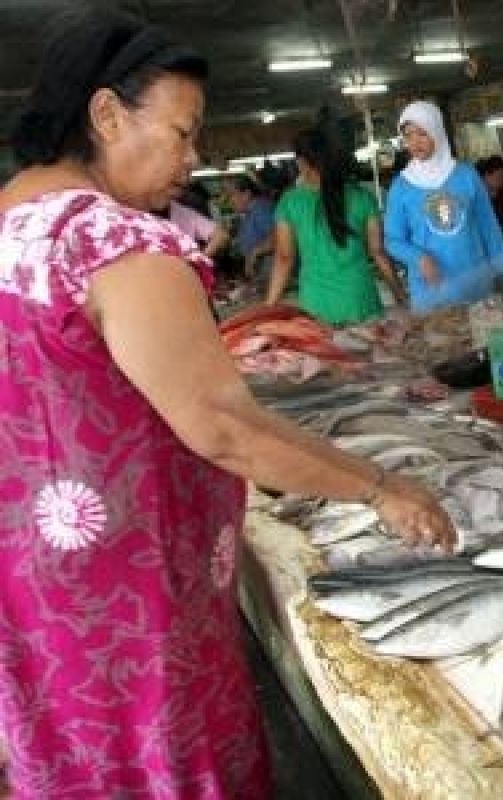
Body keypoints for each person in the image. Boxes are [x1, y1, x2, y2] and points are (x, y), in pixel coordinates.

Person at [0, 9, 453, 799]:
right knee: (172, 768)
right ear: (106, 115)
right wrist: (381, 488)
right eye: (182, 132)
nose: (194, 156)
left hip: (37, 599)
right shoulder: (117, 244)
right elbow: (224, 425)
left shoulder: (9, 224)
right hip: (137, 607)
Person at [384, 101, 503, 315]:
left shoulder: (466, 175)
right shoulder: (401, 186)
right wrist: (418, 258)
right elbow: (392, 240)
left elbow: (488, 226)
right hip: (431, 290)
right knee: (443, 344)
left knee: (485, 340)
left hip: (475, 282)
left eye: (422, 133)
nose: (415, 142)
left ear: (436, 131)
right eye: (408, 135)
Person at [268, 127, 404, 322]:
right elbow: (378, 252)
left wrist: (268, 307)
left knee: (330, 353)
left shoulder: (289, 202)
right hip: (361, 301)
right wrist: (399, 294)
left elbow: (284, 258)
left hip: (316, 306)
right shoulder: (362, 197)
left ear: (301, 162)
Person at [226, 173, 275, 281]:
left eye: (231, 195)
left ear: (246, 194)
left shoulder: (261, 209)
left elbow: (276, 237)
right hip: (262, 276)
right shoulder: (249, 213)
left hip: (271, 275)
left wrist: (254, 252)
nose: (229, 201)